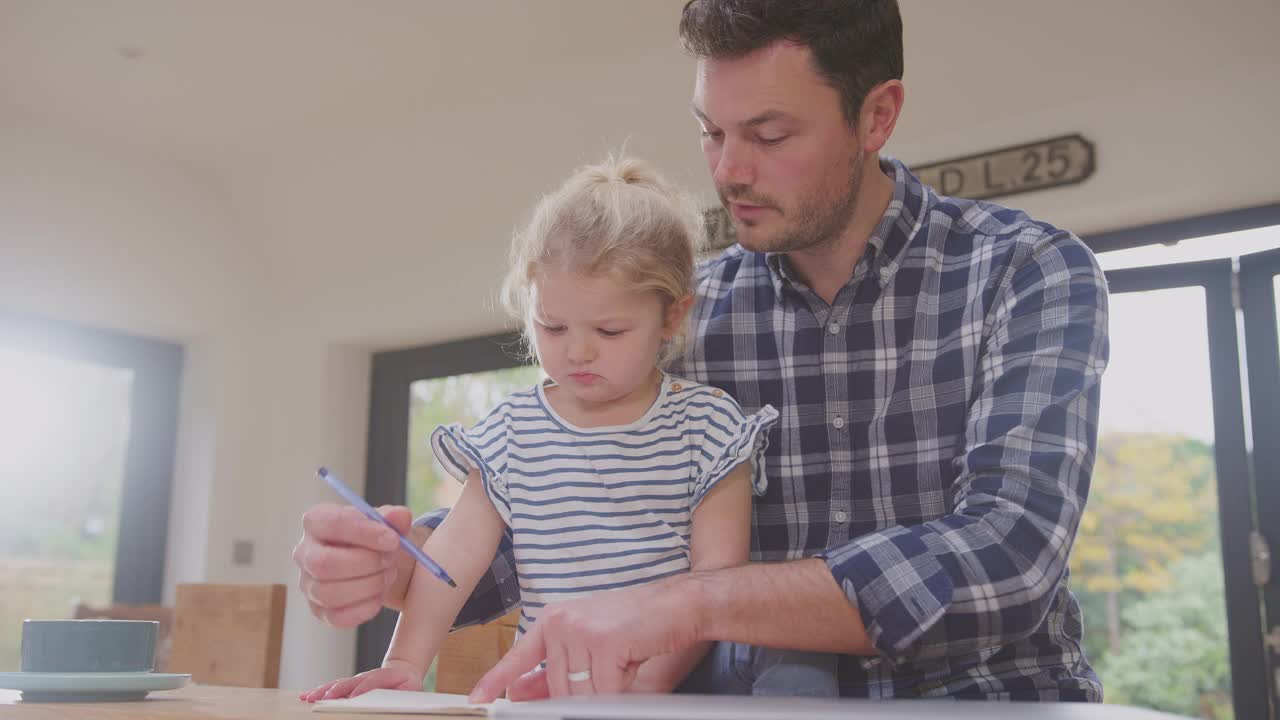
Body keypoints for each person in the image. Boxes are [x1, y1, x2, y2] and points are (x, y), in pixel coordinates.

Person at [295, 0, 1109, 703]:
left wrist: (693, 604)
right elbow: (583, 520)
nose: (728, 170)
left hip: (995, 702)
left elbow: (1009, 556)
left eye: (768, 133)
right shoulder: (675, 316)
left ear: (877, 115)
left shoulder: (1026, 271)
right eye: (711, 132)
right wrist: (399, 569)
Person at [298, 155, 807, 702]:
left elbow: (718, 582)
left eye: (610, 330)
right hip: (547, 695)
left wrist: (648, 684)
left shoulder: (708, 427)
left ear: (672, 316)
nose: (578, 351)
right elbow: (455, 553)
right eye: (553, 325)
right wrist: (403, 662)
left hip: (671, 696)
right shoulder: (512, 431)